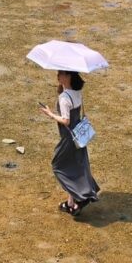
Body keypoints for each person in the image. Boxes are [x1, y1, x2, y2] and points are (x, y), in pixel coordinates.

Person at [39, 70, 100, 217]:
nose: (58, 76)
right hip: (79, 136)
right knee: (76, 167)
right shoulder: (77, 92)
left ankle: (81, 197)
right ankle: (71, 203)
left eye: (60, 74)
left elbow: (65, 120)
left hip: (68, 137)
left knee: (58, 166)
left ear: (68, 77)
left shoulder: (64, 97)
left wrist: (50, 114)